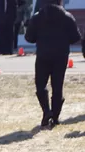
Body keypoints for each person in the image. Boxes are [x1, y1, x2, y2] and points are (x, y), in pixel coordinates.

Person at [25, 0, 82, 128]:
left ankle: (46, 111)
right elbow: (75, 38)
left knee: (41, 84)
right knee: (57, 86)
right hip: (61, 56)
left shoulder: (37, 17)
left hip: (43, 55)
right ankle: (55, 117)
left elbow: (29, 38)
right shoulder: (67, 17)